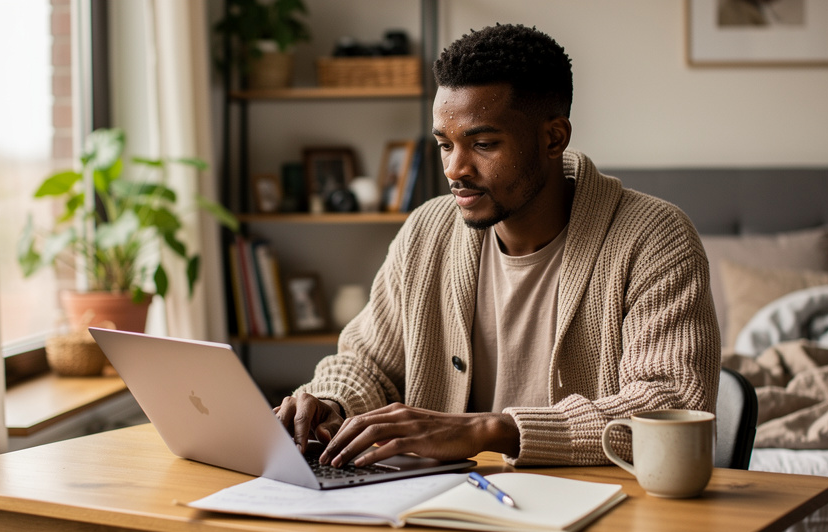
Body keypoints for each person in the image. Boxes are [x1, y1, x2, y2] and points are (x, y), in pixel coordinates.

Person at [274, 23, 720, 468]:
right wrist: (330, 402)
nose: (455, 169)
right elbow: (369, 362)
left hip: (599, 509)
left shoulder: (655, 237)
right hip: (445, 505)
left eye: (483, 144)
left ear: (553, 138)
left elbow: (669, 404)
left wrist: (490, 429)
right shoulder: (426, 232)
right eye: (445, 145)